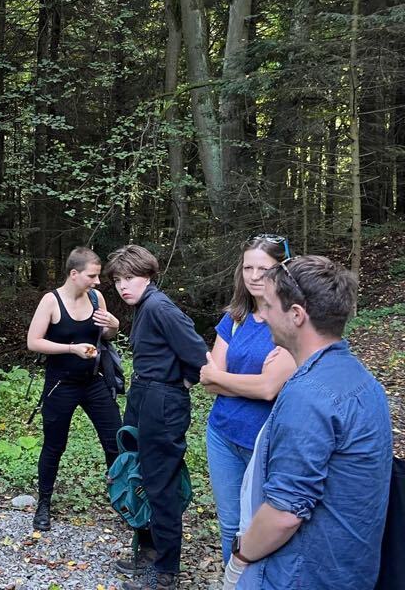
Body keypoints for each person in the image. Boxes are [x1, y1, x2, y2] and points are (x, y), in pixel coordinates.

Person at [221, 255, 392, 590]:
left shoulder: (309, 395)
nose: (263, 315)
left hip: (303, 574)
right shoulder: (361, 378)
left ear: (297, 315)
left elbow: (285, 513)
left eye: (269, 306)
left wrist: (240, 558)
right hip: (349, 569)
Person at [105, 244, 208, 590]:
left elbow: (199, 354)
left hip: (162, 400)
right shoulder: (144, 306)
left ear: (148, 275)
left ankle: (165, 573)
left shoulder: (161, 307)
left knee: (160, 483)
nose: (123, 286)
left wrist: (183, 382)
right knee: (137, 473)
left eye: (130, 277)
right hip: (143, 394)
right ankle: (148, 553)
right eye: (118, 280)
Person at [199, 235, 297, 564]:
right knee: (230, 524)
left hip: (265, 440)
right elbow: (209, 382)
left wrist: (224, 379)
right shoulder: (236, 317)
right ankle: (233, 581)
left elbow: (269, 389)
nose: (254, 276)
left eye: (263, 269)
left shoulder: (292, 319)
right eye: (247, 268)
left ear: (282, 269)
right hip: (222, 434)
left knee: (263, 525)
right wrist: (249, 382)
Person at [26, 246, 122, 533]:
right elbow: (34, 342)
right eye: (92, 276)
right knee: (54, 446)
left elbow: (107, 334)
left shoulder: (96, 298)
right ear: (74, 274)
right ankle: (44, 504)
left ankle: (122, 500)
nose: (97, 281)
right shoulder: (51, 301)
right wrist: (71, 349)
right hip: (61, 384)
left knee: (115, 442)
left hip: (95, 381)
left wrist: (114, 326)